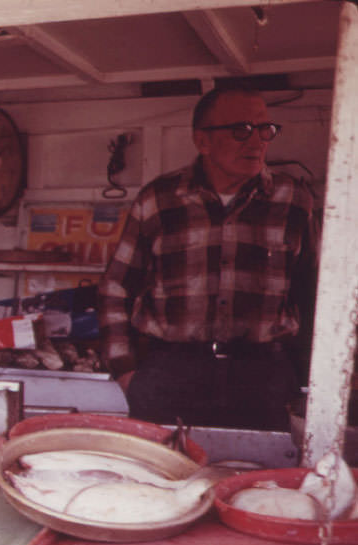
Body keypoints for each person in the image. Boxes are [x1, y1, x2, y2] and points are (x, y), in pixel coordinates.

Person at [99, 86, 317, 430]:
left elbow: (315, 292)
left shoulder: (294, 200)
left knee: (259, 479)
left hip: (262, 378)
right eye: (241, 130)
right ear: (202, 141)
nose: (257, 141)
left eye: (265, 130)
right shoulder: (157, 200)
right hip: (170, 373)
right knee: (162, 478)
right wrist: (125, 369)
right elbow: (115, 287)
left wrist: (307, 377)